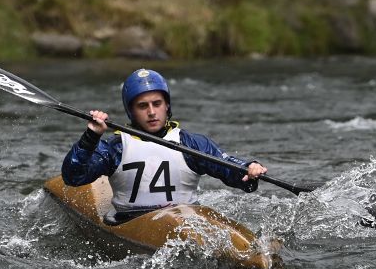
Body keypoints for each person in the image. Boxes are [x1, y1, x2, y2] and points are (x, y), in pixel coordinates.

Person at [61, 68, 267, 222]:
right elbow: (74, 177)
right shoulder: (115, 148)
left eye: (157, 104)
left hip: (185, 221)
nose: (151, 112)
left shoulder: (192, 144)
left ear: (167, 105)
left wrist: (249, 169)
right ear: (131, 111)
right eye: (143, 106)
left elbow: (233, 172)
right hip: (130, 222)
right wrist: (91, 136)